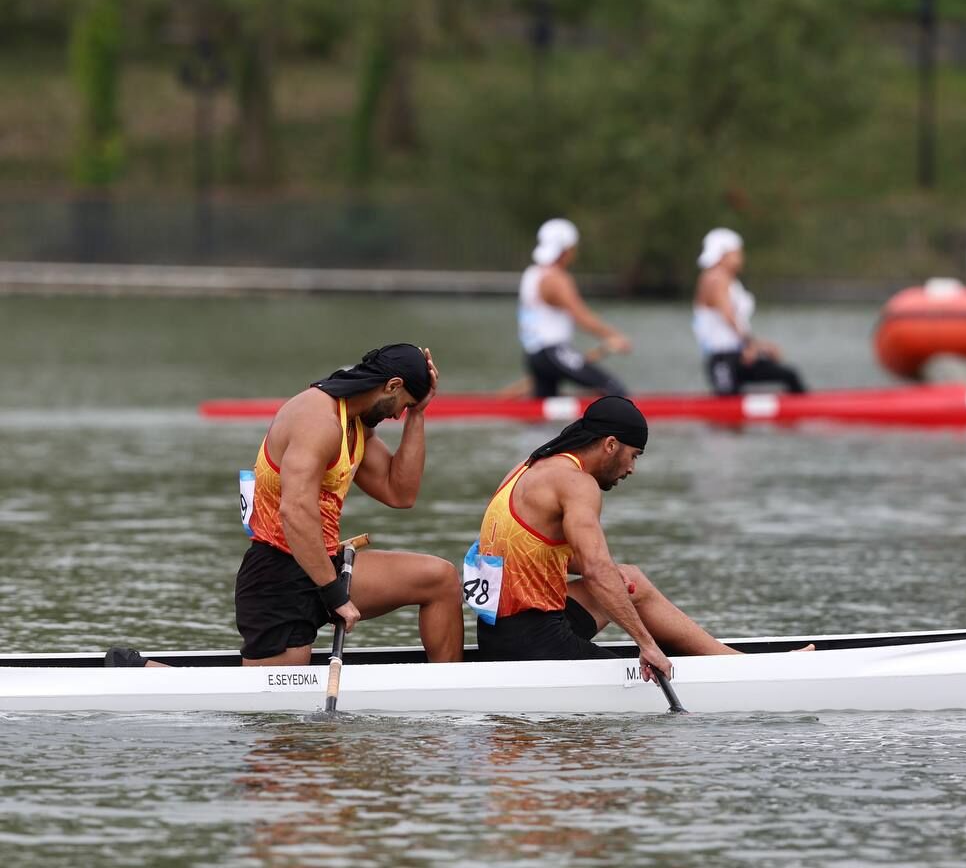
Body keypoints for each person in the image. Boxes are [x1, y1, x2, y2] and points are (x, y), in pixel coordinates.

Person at [107, 343, 463, 668]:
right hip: (277, 576)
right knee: (258, 702)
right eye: (405, 405)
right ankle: (136, 670)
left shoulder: (355, 425)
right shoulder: (318, 421)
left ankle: (451, 693)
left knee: (439, 579)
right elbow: (294, 512)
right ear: (392, 385)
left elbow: (400, 493)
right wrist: (334, 594)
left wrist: (419, 415)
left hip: (319, 563)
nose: (398, 415)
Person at [465, 396, 800, 681]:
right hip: (533, 646)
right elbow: (595, 570)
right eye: (634, 455)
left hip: (496, 632)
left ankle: (734, 664)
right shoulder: (577, 483)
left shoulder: (526, 467)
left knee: (630, 579)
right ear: (611, 445)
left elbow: (536, 554)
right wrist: (646, 644)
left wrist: (613, 577)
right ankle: (737, 670)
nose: (632, 468)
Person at [518, 218, 633, 399]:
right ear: (566, 250)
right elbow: (582, 317)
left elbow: (568, 312)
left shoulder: (531, 275)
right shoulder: (557, 279)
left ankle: (540, 425)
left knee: (545, 406)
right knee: (614, 390)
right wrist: (614, 335)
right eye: (573, 248)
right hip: (553, 353)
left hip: (533, 356)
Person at [692, 227, 806, 396]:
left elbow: (734, 322)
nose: (741, 258)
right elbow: (728, 317)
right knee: (728, 407)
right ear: (723, 254)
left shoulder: (728, 280)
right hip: (723, 360)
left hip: (738, 355)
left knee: (789, 375)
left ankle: (798, 409)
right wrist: (752, 345)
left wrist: (758, 347)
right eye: (737, 253)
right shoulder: (715, 278)